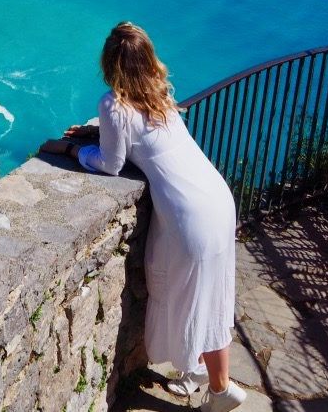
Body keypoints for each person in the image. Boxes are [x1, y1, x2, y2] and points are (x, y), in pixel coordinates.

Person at [40, 22, 246, 412]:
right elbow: (140, 138)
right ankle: (204, 373)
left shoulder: (113, 106)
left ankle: (220, 391)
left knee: (182, 292)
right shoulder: (160, 96)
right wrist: (95, 133)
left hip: (189, 218)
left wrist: (72, 151)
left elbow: (112, 164)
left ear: (110, 63)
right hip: (217, 199)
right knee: (209, 295)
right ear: (147, 60)